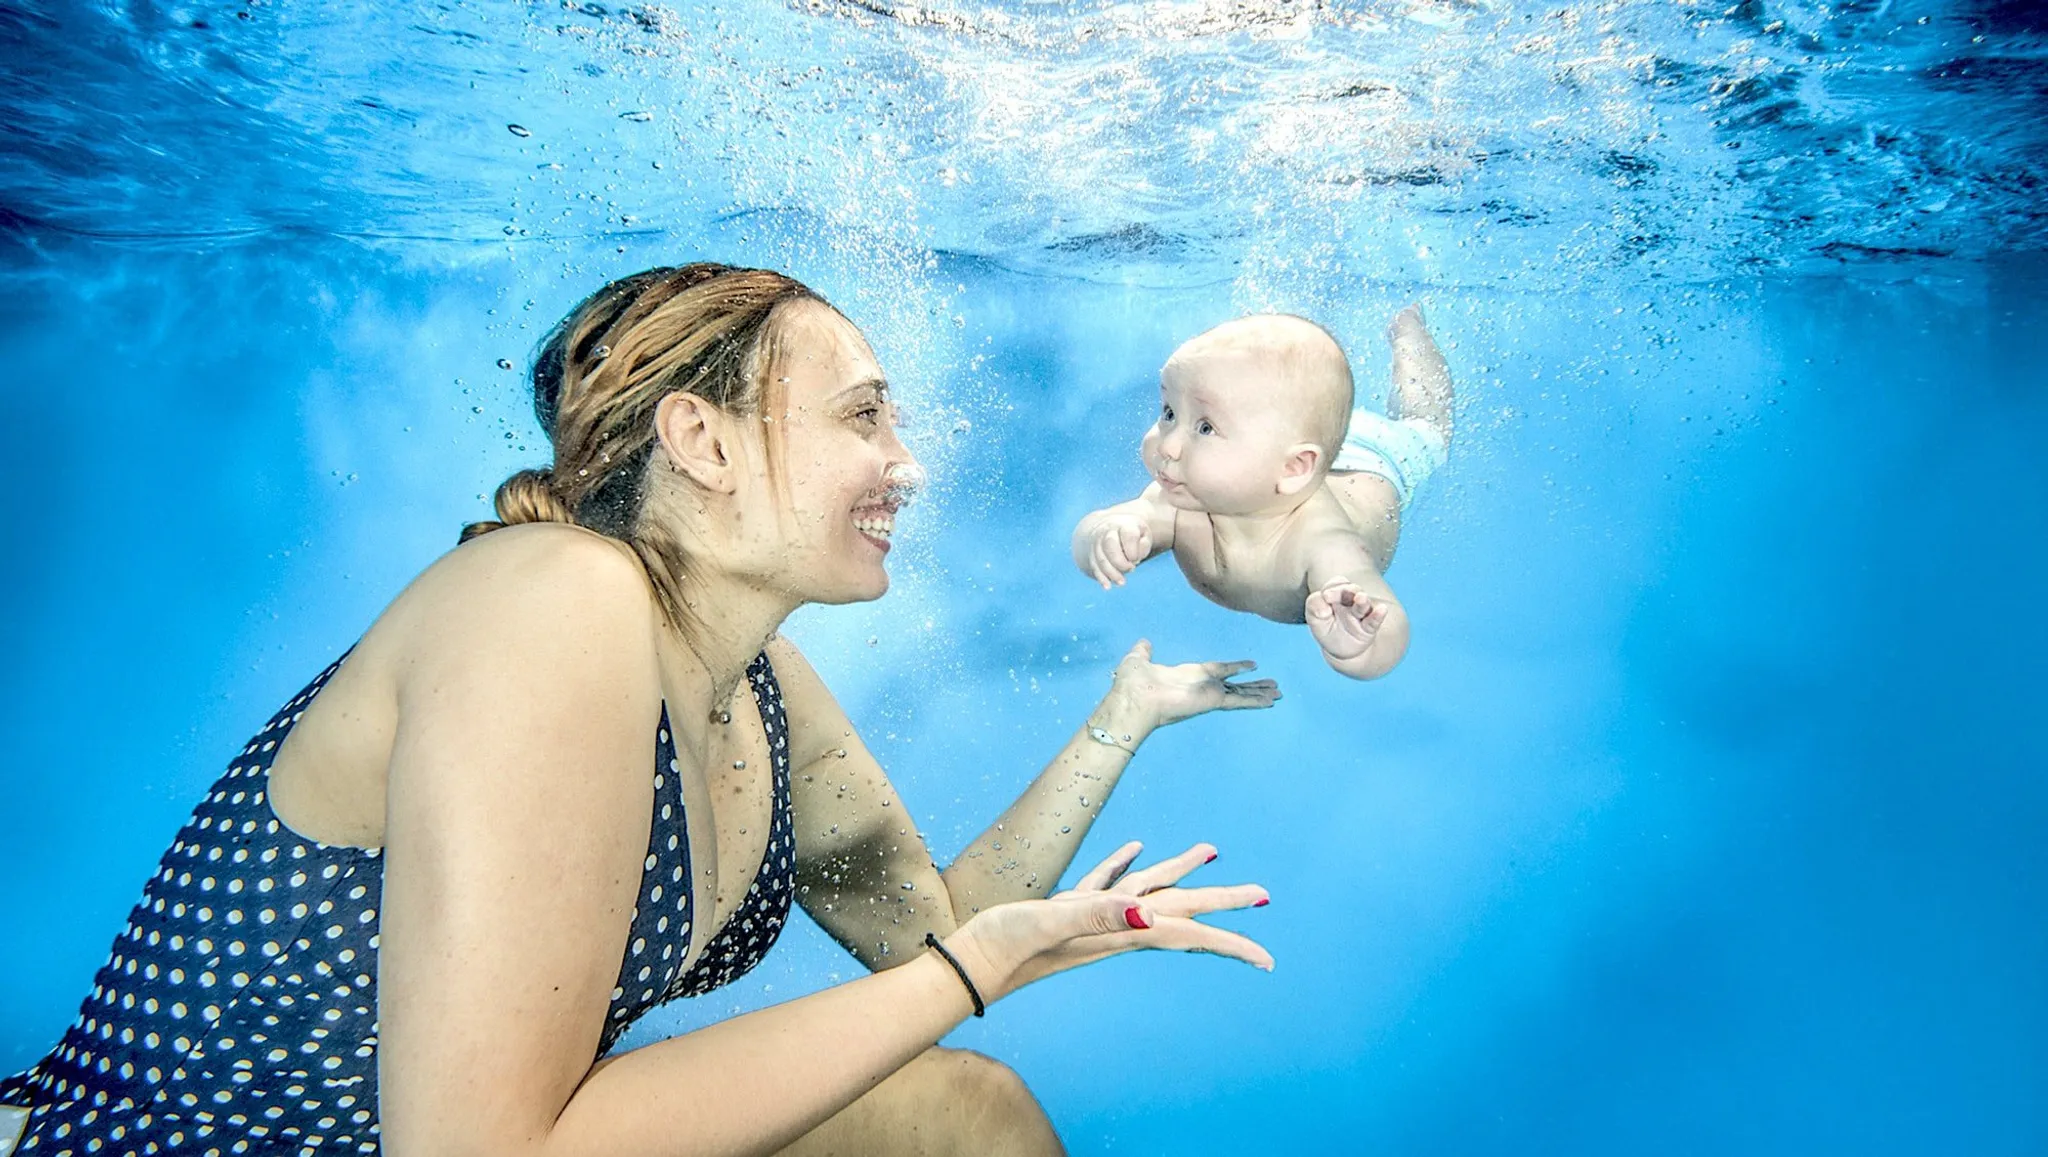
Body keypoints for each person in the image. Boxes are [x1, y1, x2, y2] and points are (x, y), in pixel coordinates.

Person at [0, 264, 1281, 1157]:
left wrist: (1119, 719)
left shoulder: (756, 682)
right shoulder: (547, 600)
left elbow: (928, 934)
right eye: (862, 415)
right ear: (701, 439)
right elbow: (483, 1146)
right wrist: (973, 969)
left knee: (964, 1117)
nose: (908, 460)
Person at [1070, 306, 1454, 680]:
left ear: (1293, 468)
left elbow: (1388, 618)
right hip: (1293, 447)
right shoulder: (1184, 498)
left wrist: (1361, 644)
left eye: (1205, 428)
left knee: (1427, 424)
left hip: (1376, 460)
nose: (1167, 445)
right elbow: (1102, 526)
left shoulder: (1321, 541)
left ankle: (1408, 334)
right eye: (1169, 413)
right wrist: (1105, 536)